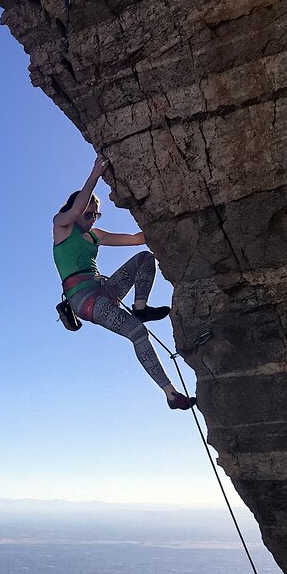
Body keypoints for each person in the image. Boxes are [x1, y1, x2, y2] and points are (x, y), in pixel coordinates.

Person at [53, 156, 196, 411]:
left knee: (144, 259)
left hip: (104, 289)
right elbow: (75, 211)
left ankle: (140, 306)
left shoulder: (95, 235)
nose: (93, 218)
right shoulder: (62, 226)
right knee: (137, 333)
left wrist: (172, 220)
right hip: (84, 300)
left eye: (96, 214)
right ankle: (171, 394)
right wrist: (95, 175)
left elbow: (136, 239)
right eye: (89, 213)